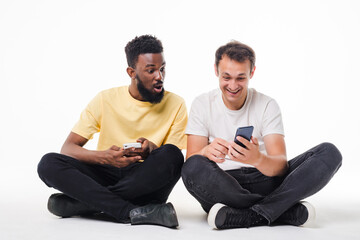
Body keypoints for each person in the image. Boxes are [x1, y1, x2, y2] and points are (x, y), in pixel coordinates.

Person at [181, 41, 342, 230]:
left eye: (240, 78)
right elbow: (191, 161)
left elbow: (281, 166)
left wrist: (257, 159)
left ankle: (249, 216)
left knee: (329, 153)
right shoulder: (202, 104)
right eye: (227, 77)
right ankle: (280, 209)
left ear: (252, 73)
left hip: (265, 179)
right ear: (216, 71)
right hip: (223, 186)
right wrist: (206, 150)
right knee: (192, 166)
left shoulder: (267, 105)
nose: (233, 85)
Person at [37, 35, 188, 228]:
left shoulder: (177, 103)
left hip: (146, 181)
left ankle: (85, 204)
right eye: (151, 71)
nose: (159, 76)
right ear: (131, 72)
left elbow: (170, 161)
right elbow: (68, 148)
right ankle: (130, 212)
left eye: (162, 69)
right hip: (106, 172)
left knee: (173, 154)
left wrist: (152, 149)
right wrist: (105, 157)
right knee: (48, 163)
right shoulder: (105, 99)